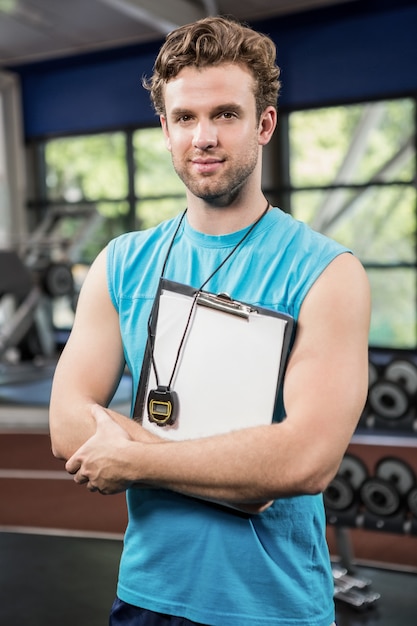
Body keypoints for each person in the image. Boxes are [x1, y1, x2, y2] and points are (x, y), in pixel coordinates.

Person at [49, 15, 370, 626]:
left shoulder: (328, 273)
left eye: (225, 114)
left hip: (274, 609)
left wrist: (134, 457)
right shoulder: (121, 263)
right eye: (186, 118)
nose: (204, 137)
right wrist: (242, 474)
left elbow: (303, 461)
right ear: (165, 129)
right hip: (146, 596)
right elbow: (67, 425)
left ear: (264, 124)